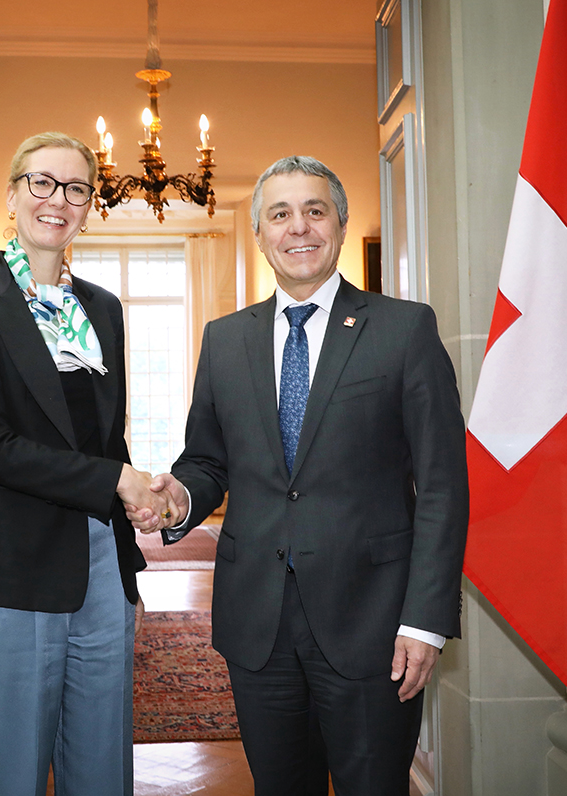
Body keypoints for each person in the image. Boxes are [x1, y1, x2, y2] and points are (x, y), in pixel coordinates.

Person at [128, 156, 469, 795]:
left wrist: (425, 620)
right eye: (280, 214)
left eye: (315, 210)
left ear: (339, 225)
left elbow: (444, 486)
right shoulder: (225, 339)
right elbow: (207, 460)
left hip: (375, 624)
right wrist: (177, 499)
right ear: (259, 233)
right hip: (257, 625)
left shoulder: (403, 329)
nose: (298, 227)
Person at [0, 131, 176, 796]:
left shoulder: (102, 309)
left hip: (101, 559)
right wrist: (113, 480)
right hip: (11, 565)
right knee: (7, 771)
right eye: (42, 182)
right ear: (12, 195)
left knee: (101, 768)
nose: (57, 199)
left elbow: (107, 440)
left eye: (76, 188)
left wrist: (141, 494)